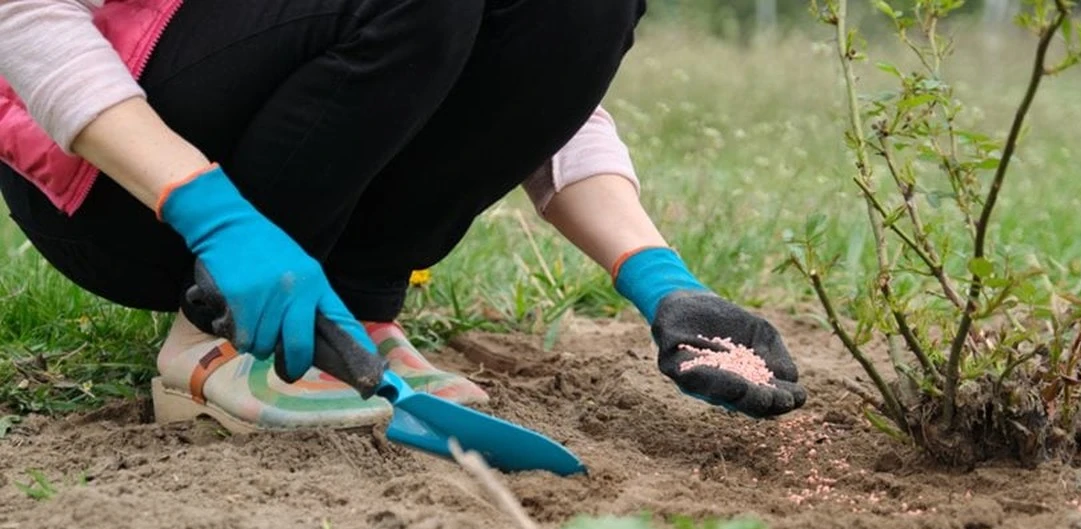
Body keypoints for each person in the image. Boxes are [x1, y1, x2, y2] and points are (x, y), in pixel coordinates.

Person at [0, 0, 807, 437]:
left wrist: (660, 280)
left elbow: (535, 92)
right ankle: (212, 336)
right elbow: (21, 20)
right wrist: (214, 218)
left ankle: (352, 306)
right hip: (116, 189)